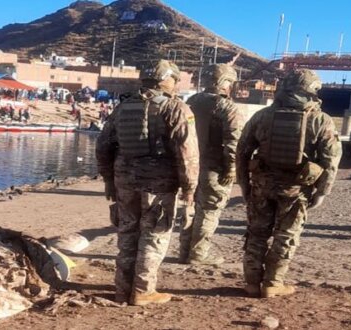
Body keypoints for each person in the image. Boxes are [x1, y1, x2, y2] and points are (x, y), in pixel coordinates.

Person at [96, 59, 199, 306]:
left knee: (127, 232)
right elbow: (187, 154)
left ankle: (122, 289)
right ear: (169, 80)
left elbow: (103, 146)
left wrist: (109, 180)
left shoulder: (122, 108)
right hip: (158, 183)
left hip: (125, 180)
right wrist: (190, 189)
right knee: (154, 234)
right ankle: (143, 291)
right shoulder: (176, 108)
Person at [236, 69, 342, 298]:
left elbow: (242, 151)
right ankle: (273, 283)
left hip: (261, 187)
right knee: (286, 235)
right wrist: (322, 191)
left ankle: (252, 283)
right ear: (312, 90)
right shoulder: (320, 120)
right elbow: (331, 159)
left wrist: (244, 184)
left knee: (256, 233)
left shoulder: (262, 116)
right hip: (296, 190)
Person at [180, 63, 243, 265]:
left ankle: (184, 251)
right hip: (214, 168)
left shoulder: (191, 102)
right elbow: (234, 141)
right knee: (209, 211)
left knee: (190, 208)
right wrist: (232, 168)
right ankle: (198, 254)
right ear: (224, 83)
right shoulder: (226, 107)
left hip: (189, 167)